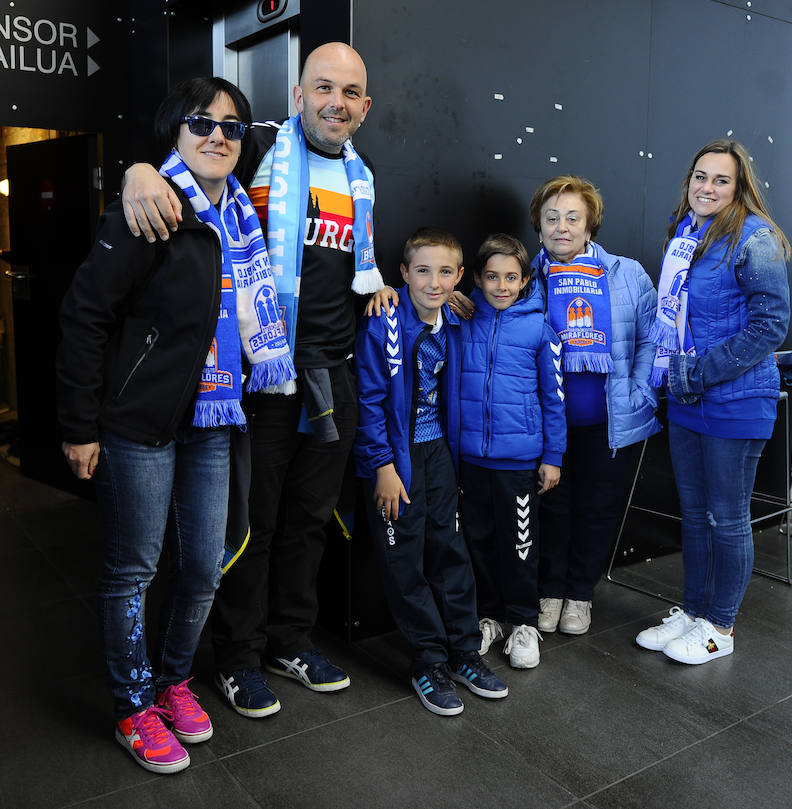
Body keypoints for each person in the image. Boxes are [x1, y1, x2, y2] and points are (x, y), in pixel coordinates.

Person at [121, 43, 386, 717]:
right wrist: (137, 170)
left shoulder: (363, 177)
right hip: (261, 377)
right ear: (298, 95)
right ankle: (236, 657)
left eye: (350, 92)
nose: (337, 101)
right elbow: (182, 148)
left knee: (308, 522)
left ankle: (288, 641)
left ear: (365, 106)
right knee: (252, 525)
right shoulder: (257, 143)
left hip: (333, 375)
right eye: (323, 87)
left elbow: (361, 268)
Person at [57, 77, 295, 773]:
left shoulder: (239, 220)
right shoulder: (149, 206)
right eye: (200, 123)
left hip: (214, 418)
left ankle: (171, 681)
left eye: (231, 125)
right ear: (174, 133)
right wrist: (78, 424)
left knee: (200, 568)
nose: (217, 135)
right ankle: (134, 705)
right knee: (133, 568)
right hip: (138, 422)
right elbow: (84, 317)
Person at [635, 139, 790, 664]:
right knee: (695, 514)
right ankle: (694, 612)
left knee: (727, 517)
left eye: (721, 180)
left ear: (739, 186)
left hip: (735, 399)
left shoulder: (756, 237)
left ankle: (719, 627)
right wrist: (679, 377)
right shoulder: (688, 233)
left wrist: (699, 372)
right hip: (687, 396)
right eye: (701, 176)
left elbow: (771, 325)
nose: (708, 187)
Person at [354, 227, 508, 716]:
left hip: (438, 453)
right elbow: (369, 402)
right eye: (422, 271)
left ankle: (464, 651)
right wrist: (382, 466)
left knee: (450, 551)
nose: (434, 282)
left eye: (445, 272)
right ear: (403, 273)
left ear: (460, 277)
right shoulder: (383, 319)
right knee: (406, 562)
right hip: (394, 462)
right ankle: (428, 660)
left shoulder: (457, 319)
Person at [524, 176, 659, 636]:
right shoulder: (526, 278)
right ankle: (550, 592)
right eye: (551, 217)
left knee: (598, 509)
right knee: (552, 510)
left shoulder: (627, 273)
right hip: (550, 423)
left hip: (610, 420)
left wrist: (640, 391)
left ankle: (580, 595)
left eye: (572, 217)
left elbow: (652, 339)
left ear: (589, 225)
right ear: (539, 227)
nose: (562, 227)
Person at [457, 234, 567, 669]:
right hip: (470, 459)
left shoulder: (539, 328)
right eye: (491, 277)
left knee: (520, 545)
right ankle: (489, 617)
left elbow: (553, 397)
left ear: (524, 280)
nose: (501, 287)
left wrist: (552, 456)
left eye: (511, 278)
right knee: (477, 542)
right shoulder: (462, 317)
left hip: (519, 462)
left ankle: (524, 622)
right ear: (478, 279)